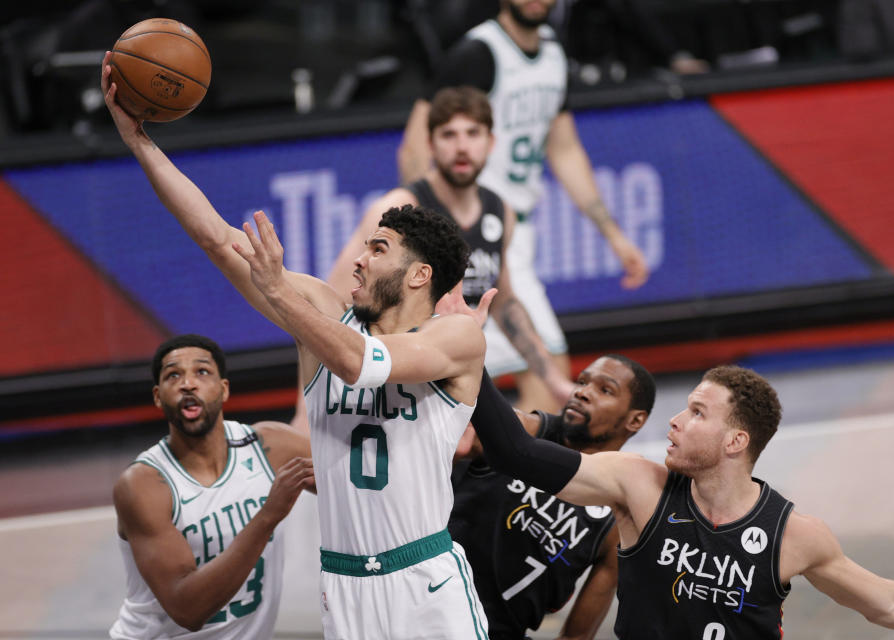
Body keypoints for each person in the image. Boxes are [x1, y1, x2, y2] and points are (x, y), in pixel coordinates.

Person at [102, 53, 491, 640]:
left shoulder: (455, 336)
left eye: (378, 249)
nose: (358, 258)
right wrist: (140, 143)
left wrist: (279, 293)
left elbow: (360, 364)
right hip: (344, 587)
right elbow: (214, 238)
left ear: (418, 276)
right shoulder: (327, 315)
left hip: (424, 580)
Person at [465, 346, 894, 636]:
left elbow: (890, 603)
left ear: (736, 441)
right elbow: (516, 454)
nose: (676, 422)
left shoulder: (795, 536)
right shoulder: (640, 486)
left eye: (698, 413)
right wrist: (469, 353)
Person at [398, 0, 649, 413]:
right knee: (546, 376)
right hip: (472, 234)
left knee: (499, 385)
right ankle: (526, 473)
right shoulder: (476, 54)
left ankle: (502, 473)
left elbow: (565, 150)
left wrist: (614, 235)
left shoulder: (552, 53)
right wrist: (438, 235)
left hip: (514, 231)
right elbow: (414, 147)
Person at [329, 85, 573, 410]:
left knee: (540, 415)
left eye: (473, 134)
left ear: (491, 142)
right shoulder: (402, 208)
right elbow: (336, 297)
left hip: (458, 363)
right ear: (430, 145)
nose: (462, 147)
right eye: (449, 135)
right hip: (402, 368)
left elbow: (503, 302)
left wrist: (554, 380)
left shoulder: (500, 210)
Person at [109, 334, 314, 639]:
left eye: (202, 372)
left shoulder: (270, 446)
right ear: (157, 396)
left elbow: (355, 481)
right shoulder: (143, 485)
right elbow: (188, 609)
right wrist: (268, 515)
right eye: (173, 375)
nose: (188, 384)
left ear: (224, 388)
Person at [450, 354, 655, 639]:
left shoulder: (618, 521)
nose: (583, 392)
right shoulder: (524, 430)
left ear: (635, 420)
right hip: (428, 603)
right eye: (582, 382)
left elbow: (576, 635)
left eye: (604, 390)